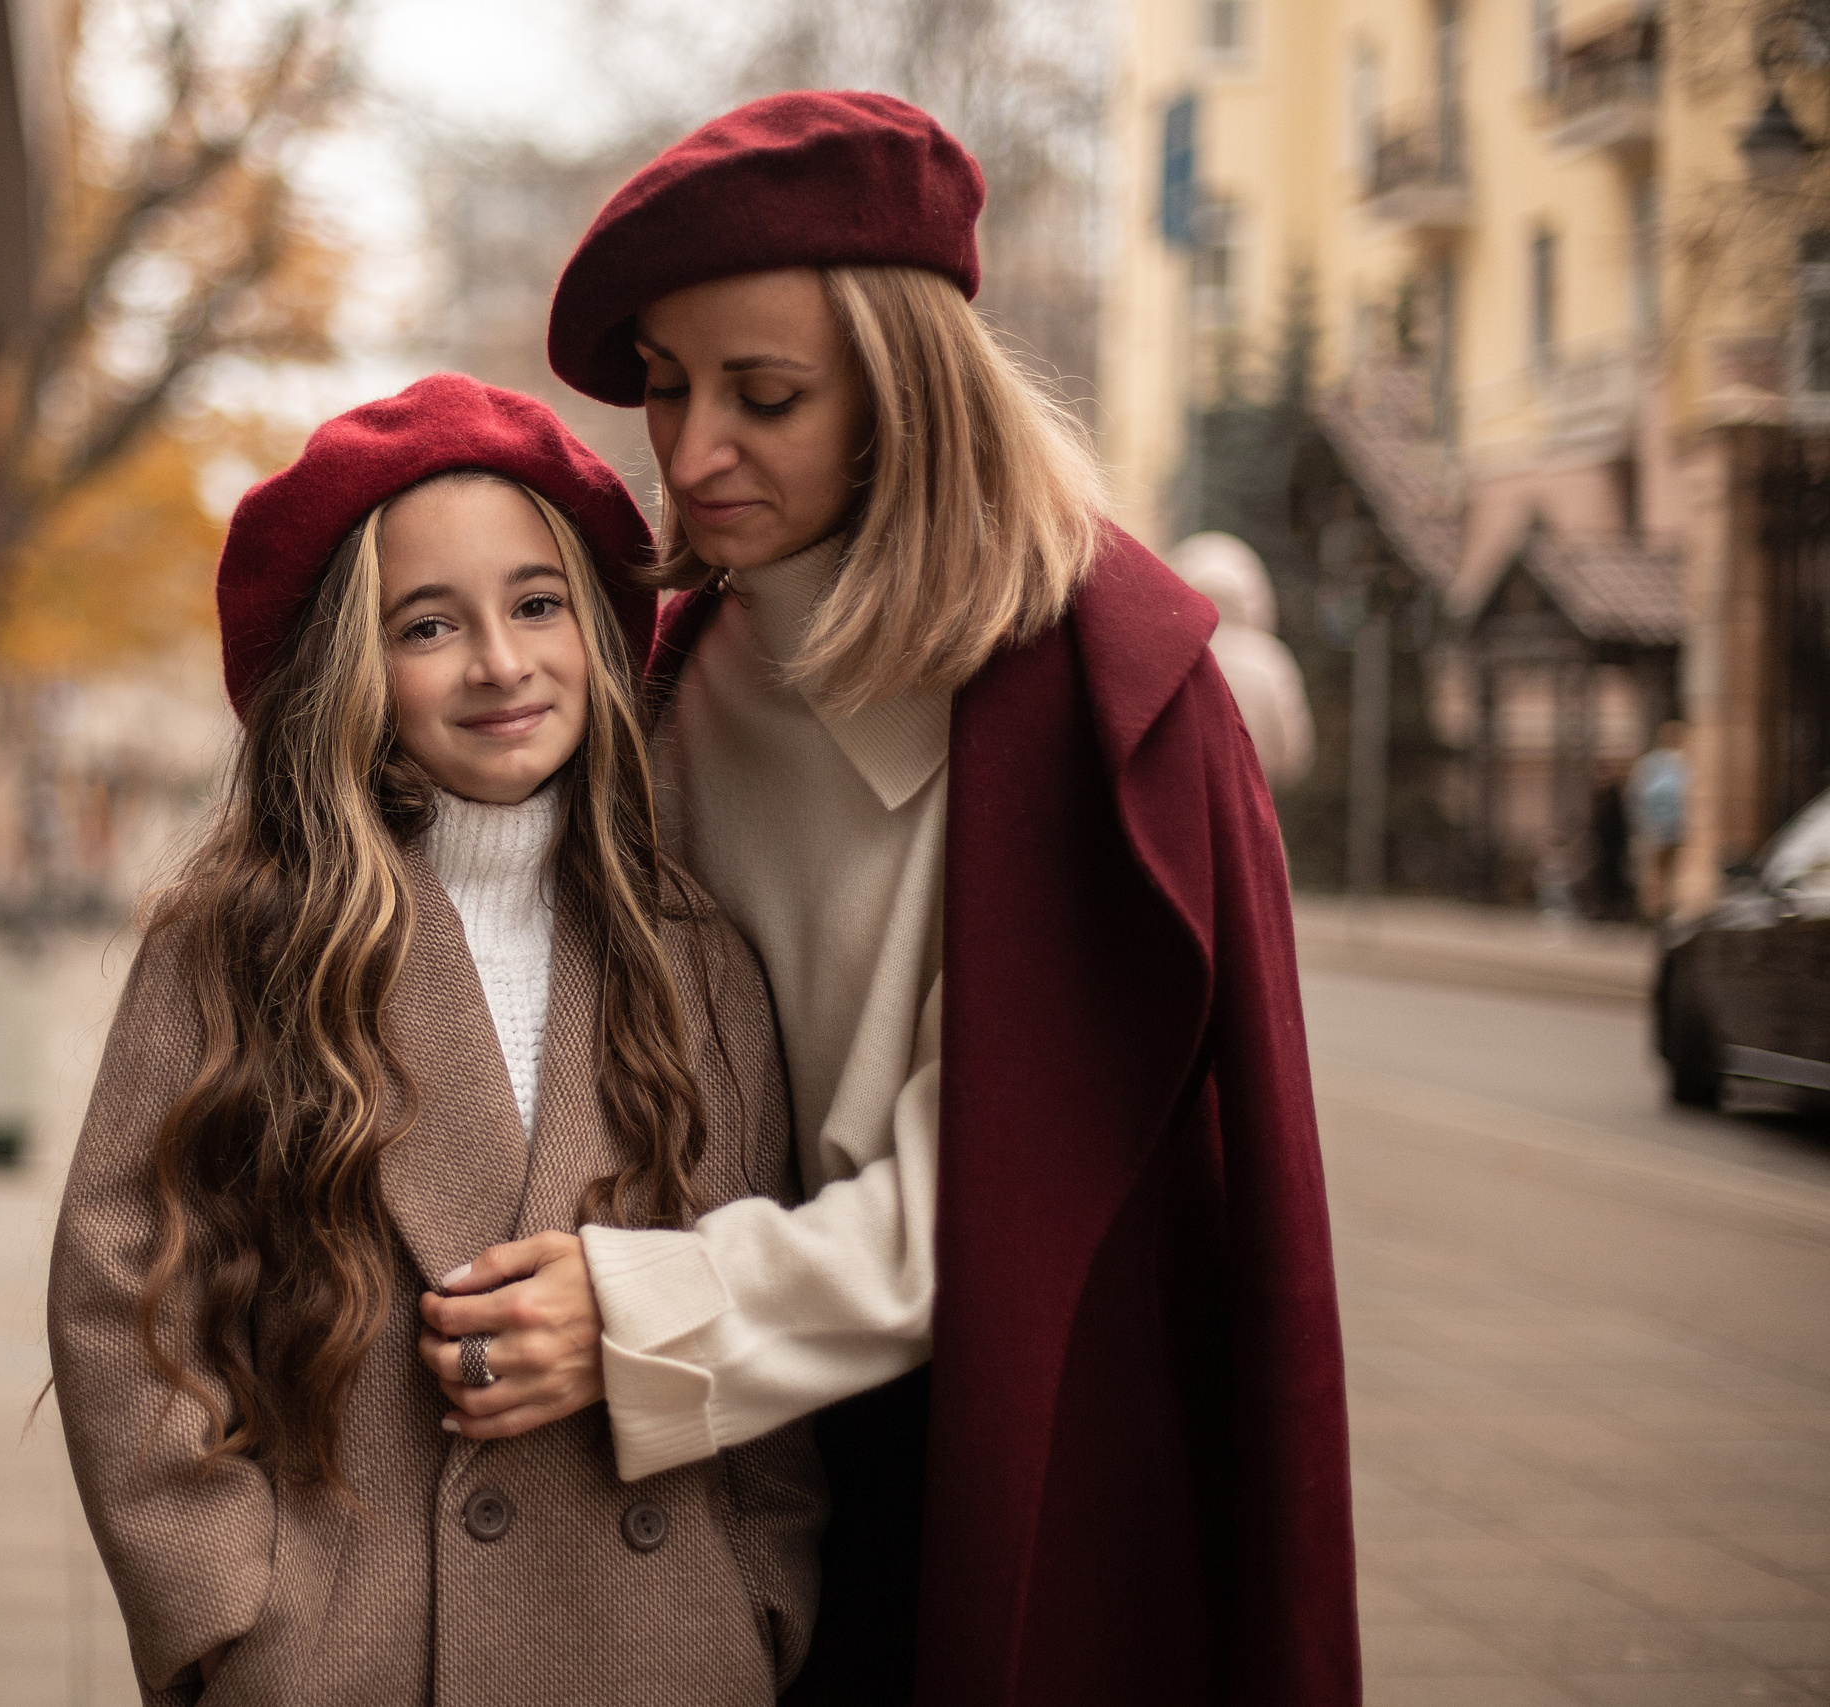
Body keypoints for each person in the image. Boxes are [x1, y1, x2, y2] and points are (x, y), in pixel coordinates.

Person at [414, 92, 1362, 1704]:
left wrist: (640, 1318)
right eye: (665, 386)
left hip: (1016, 1428)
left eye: (764, 394)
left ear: (905, 395)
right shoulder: (672, 672)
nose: (693, 450)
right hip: (698, 1475)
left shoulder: (1101, 696)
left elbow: (997, 1199)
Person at [47, 374, 824, 1707]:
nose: (501, 661)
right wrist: (226, 1612)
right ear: (358, 663)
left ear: (596, 623)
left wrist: (764, 1593)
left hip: (662, 1645)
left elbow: (766, 1288)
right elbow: (125, 1289)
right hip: (349, 1644)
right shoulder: (238, 941)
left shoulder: (700, 954)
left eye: (536, 602)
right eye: (429, 624)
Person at [1168, 531, 1316, 787]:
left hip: (1180, 797)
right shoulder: (1269, 660)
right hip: (1252, 803)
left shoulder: (1169, 660)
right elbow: (1294, 756)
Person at [1630, 720, 1689, 922]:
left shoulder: (1678, 763)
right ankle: (1653, 911)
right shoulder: (1657, 764)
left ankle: (1662, 909)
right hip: (1659, 826)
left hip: (1670, 826)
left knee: (1666, 871)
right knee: (1656, 871)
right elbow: (1640, 796)